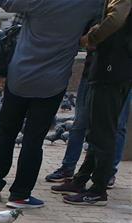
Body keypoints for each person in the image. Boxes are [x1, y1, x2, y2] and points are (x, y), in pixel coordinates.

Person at [0, 0, 102, 209]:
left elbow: (5, 3)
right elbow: (105, 23)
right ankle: (19, 195)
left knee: (6, 131)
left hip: (19, 75)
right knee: (33, 138)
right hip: (52, 82)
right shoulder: (91, 5)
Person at [53, 0, 131, 205]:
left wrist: (92, 37)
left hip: (112, 69)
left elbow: (116, 18)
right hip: (114, 69)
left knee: (103, 132)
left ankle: (98, 189)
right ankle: (81, 180)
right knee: (97, 130)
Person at [45, 78, 128, 188]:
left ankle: (107, 174)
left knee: (118, 126)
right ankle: (69, 169)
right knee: (79, 123)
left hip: (124, 78)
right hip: (93, 74)